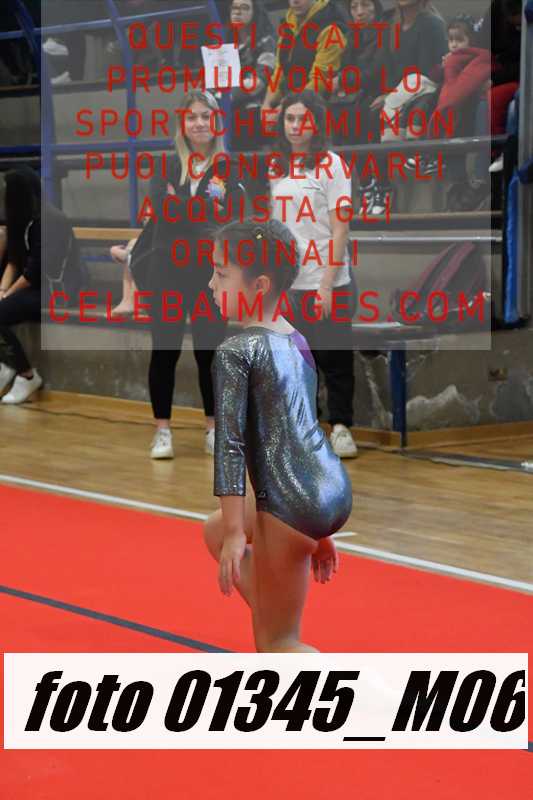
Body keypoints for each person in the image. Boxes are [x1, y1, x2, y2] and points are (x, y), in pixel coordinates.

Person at [204, 218, 353, 652]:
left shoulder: (235, 352)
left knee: (278, 643)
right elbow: (302, 429)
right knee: (212, 531)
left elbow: (230, 448)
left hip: (289, 502)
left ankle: (351, 687)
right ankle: (273, 603)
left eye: (221, 274)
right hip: (327, 487)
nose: (210, 284)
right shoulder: (296, 337)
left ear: (259, 285)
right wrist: (320, 529)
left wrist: (238, 532)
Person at [141, 90, 246, 460]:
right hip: (166, 272)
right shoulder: (166, 165)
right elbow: (165, 211)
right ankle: (162, 430)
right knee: (164, 351)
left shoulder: (228, 169)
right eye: (192, 117)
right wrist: (198, 210)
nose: (199, 123)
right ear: (182, 124)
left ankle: (213, 429)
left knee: (210, 354)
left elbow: (222, 216)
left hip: (209, 276)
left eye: (205, 116)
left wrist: (181, 205)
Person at [269, 89, 359, 458]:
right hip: (290, 284)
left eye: (302, 119)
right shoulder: (276, 168)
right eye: (289, 119)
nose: (295, 126)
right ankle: (306, 429)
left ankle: (341, 427)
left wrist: (326, 285)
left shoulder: (333, 165)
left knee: (334, 359)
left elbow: (340, 228)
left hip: (328, 280)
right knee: (297, 363)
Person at [363, 0, 447, 215]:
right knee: (366, 111)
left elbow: (430, 71)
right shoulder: (392, 25)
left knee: (402, 110)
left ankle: (399, 176)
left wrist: (392, 95)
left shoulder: (432, 23)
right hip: (399, 91)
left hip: (428, 90)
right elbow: (384, 68)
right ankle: (380, 186)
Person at [0, 167, 43, 403]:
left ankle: (27, 375)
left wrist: (8, 296)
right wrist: (2, 290)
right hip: (31, 287)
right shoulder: (19, 220)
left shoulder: (44, 222)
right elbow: (14, 262)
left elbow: (33, 273)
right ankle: (6, 365)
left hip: (54, 291)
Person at [261, 0, 348, 113]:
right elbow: (279, 72)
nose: (295, 1)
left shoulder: (330, 30)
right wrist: (267, 105)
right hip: (290, 102)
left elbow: (319, 81)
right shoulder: (288, 27)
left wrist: (284, 110)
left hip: (319, 109)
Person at [221, 0, 276, 149]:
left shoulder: (267, 42)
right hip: (228, 104)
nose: (237, 12)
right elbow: (216, 80)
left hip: (256, 105)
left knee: (240, 120)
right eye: (234, 8)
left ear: (255, 13)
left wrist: (226, 96)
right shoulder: (225, 44)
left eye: (244, 8)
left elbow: (258, 83)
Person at [330, 0, 385, 147]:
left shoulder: (386, 33)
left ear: (376, 7)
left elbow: (374, 74)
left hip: (374, 95)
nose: (359, 12)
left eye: (365, 5)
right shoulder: (351, 37)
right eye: (353, 7)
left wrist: (341, 80)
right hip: (350, 98)